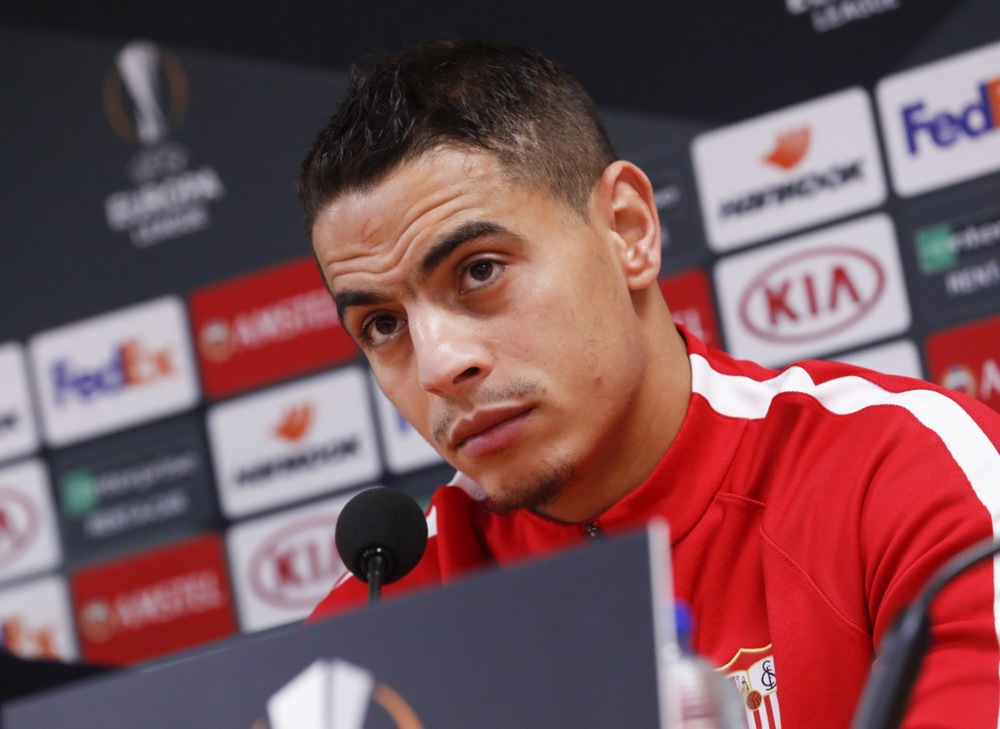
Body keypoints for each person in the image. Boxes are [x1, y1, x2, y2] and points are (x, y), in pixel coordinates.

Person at [299, 39, 1000, 727]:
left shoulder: (903, 472)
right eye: (383, 325)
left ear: (628, 230)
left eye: (480, 270)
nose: (438, 367)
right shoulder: (363, 640)